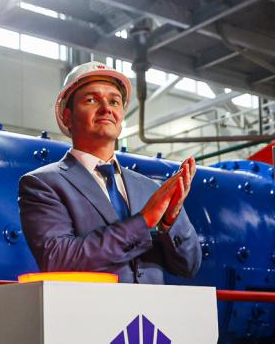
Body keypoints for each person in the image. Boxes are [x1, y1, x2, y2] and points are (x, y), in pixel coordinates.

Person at [18, 61, 201, 284]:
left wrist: (170, 222)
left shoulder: (149, 188)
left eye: (114, 101)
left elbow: (189, 266)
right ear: (67, 117)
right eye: (91, 100)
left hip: (151, 307)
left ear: (121, 118)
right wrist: (144, 221)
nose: (106, 108)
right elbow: (57, 259)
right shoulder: (43, 184)